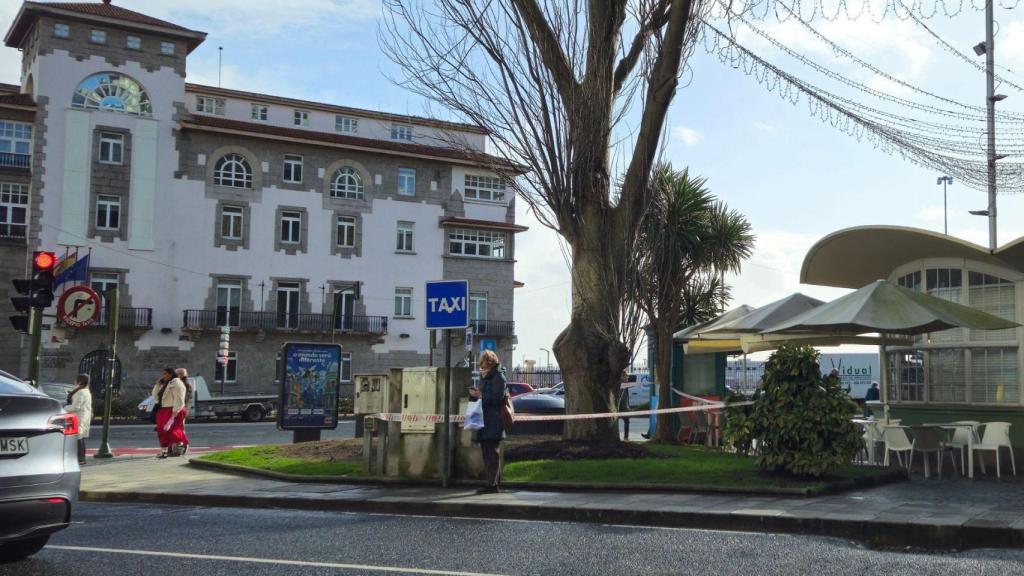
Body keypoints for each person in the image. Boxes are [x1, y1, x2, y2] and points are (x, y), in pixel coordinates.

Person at [468, 349, 507, 494]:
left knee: (492, 453)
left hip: (493, 420)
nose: (482, 368)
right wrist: (475, 395)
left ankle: (492, 485)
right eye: (481, 365)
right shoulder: (484, 377)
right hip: (484, 419)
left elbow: (497, 399)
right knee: (487, 453)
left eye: (484, 365)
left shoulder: (498, 377)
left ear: (490, 363)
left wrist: (481, 395)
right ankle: (491, 483)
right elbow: (484, 396)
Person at [153, 368, 189, 458]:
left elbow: (179, 398)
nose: (163, 376)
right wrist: (157, 385)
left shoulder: (177, 383)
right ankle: (164, 451)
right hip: (163, 409)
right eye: (163, 374)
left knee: (172, 431)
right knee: (161, 431)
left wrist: (175, 411)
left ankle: (180, 447)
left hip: (173, 409)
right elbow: (155, 396)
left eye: (165, 374)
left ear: (171, 374)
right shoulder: (166, 383)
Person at [66, 374, 92, 465]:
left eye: (75, 380)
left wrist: (64, 408)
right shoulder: (86, 391)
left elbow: (75, 407)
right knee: (80, 437)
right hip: (84, 417)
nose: (74, 382)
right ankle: (81, 458)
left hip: (78, 417)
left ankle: (80, 458)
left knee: (78, 438)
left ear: (79, 381)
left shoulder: (81, 392)